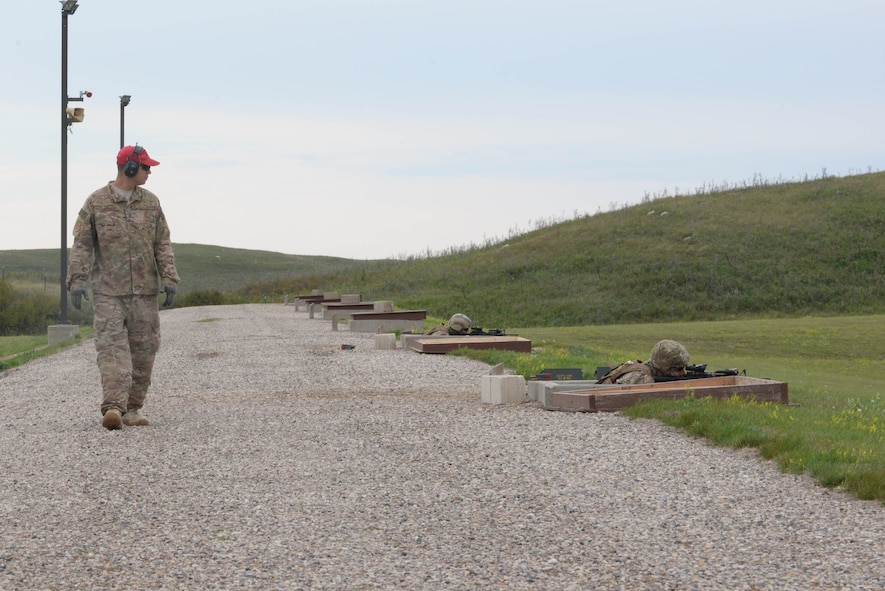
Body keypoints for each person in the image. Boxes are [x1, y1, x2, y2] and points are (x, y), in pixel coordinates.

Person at [66, 145, 180, 430]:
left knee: (144, 351)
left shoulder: (152, 204)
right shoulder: (96, 203)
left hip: (144, 292)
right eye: (145, 167)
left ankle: (133, 408)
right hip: (108, 292)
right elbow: (82, 244)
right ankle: (113, 407)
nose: (149, 172)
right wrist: (77, 280)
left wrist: (169, 277)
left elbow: (162, 242)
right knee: (112, 350)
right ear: (129, 168)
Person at [596, 339, 690, 384]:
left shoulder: (646, 371)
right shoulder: (641, 378)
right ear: (664, 367)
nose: (683, 373)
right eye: (679, 369)